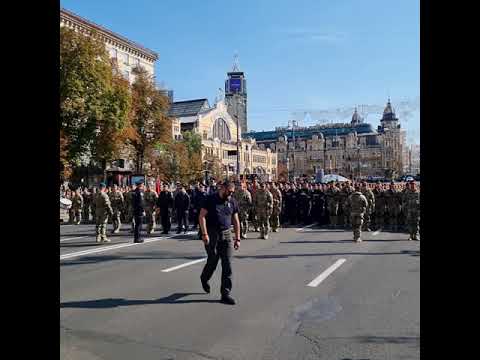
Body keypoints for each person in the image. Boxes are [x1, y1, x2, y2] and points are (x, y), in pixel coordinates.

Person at [199, 181, 241, 305]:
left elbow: (236, 220)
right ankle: (204, 278)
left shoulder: (232, 201)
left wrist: (237, 238)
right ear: (222, 188)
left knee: (227, 264)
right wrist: (204, 234)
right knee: (212, 261)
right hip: (212, 234)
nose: (230, 194)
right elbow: (201, 216)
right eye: (229, 191)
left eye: (232, 192)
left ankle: (225, 293)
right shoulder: (210, 199)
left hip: (227, 235)